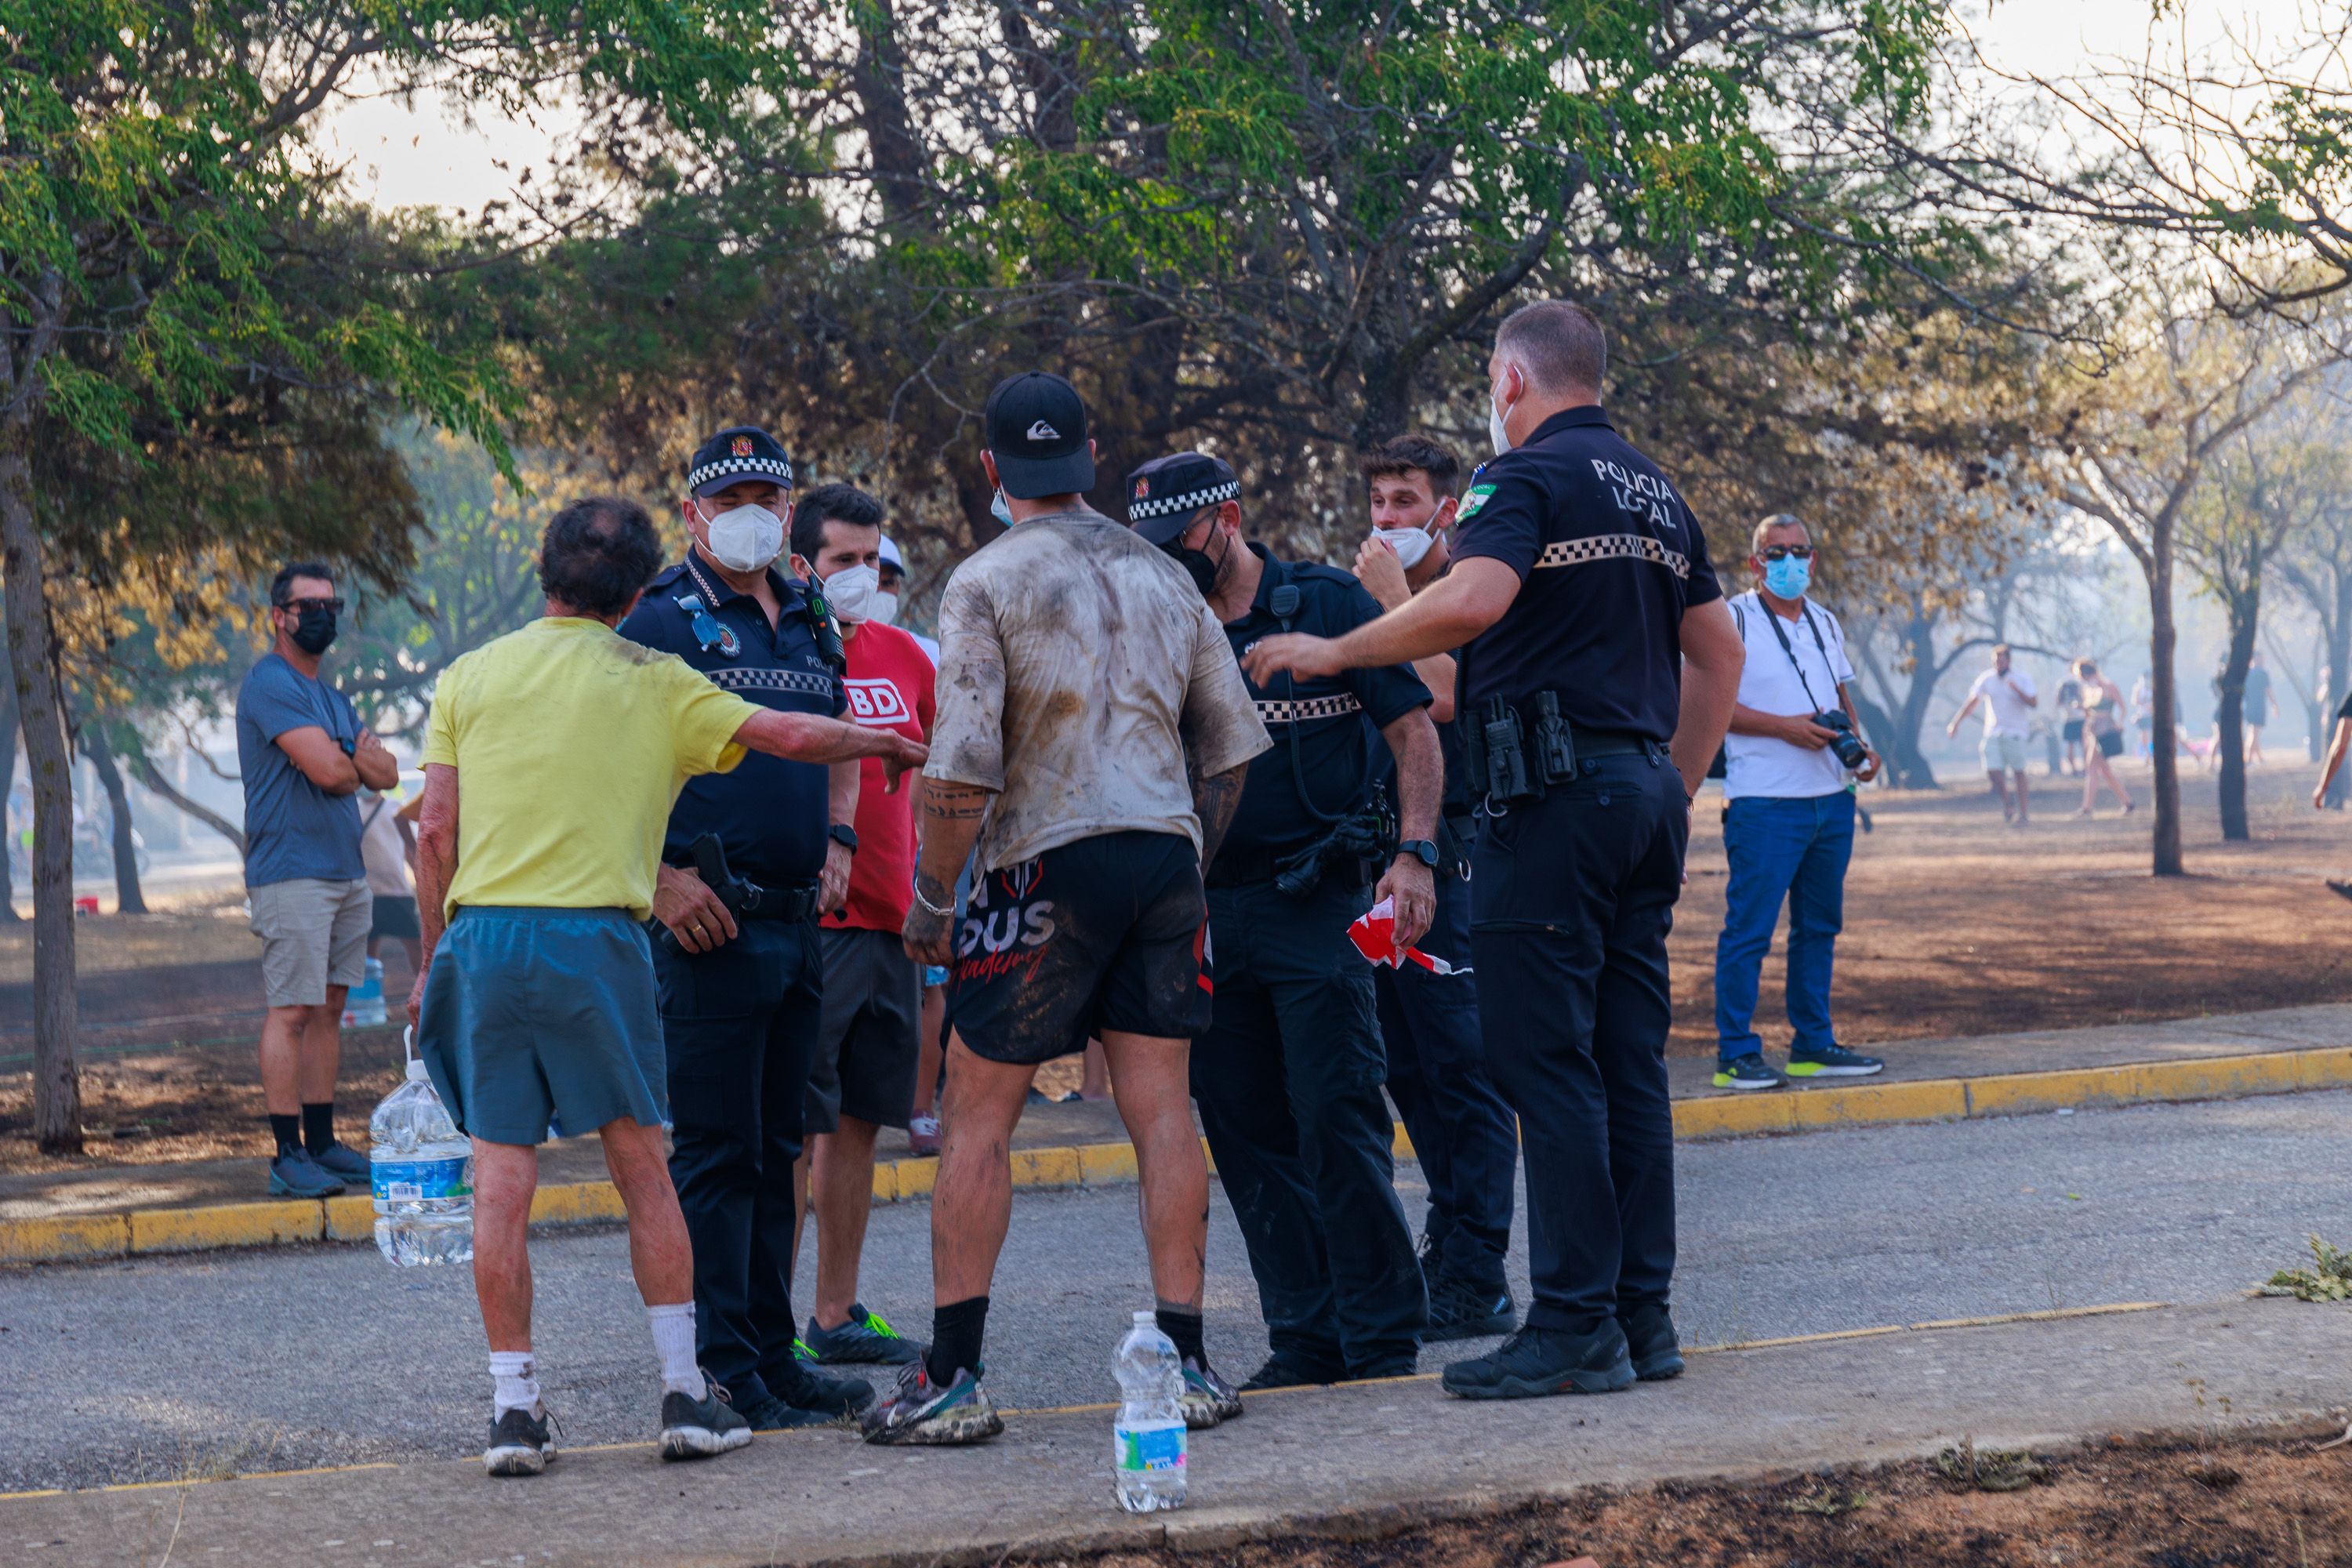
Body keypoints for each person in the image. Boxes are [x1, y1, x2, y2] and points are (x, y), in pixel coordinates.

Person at [1245, 299, 1744, 1400]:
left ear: (1511, 380)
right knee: (1625, 1067)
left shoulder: (1514, 478)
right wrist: (1677, 777)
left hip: (1553, 806)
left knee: (1545, 1064)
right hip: (1637, 796)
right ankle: (1640, 1318)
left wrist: (1340, 646)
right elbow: (1717, 649)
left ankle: (1572, 1324)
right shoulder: (1655, 488)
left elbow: (1473, 598)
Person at [410, 495, 925, 1477]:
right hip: (597, 941)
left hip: (483, 941)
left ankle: (514, 1409)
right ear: (638, 585)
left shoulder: (470, 675)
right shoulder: (656, 678)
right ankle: (687, 1391)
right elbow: (785, 733)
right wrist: (883, 744)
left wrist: (436, 949)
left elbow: (435, 829)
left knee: (501, 1185)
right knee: (645, 1168)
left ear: (544, 570)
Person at [874, 371, 1270, 1445]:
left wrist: (934, 898)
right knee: (1161, 1110)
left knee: (978, 1114)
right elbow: (1230, 753)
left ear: (993, 471)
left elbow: (958, 771)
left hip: (1039, 867)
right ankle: (1187, 1364)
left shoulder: (985, 580)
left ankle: (953, 1377)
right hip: (1160, 856)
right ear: (1092, 456)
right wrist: (1188, 851)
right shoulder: (1168, 576)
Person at [1128, 448, 1438, 1388]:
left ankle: (1381, 1333)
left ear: (1225, 515)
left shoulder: (1327, 603)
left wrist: (1415, 853)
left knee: (1338, 1111)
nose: (1164, 557)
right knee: (1246, 1127)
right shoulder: (1163, 626)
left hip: (1319, 900)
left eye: (1176, 537)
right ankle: (1305, 1334)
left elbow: (1413, 732)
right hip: (1208, 911)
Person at [612, 428, 882, 1433]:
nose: (752, 511)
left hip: (796, 918)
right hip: (706, 925)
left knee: (780, 1150)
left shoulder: (810, 612)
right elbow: (601, 767)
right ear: (693, 513)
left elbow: (836, 729)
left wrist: (845, 833)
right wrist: (659, 880)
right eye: (731, 498)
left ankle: (775, 1354)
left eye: (768, 492)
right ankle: (722, 1366)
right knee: (718, 1156)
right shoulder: (659, 620)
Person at [1352, 434, 1521, 1342]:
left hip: (1457, 869)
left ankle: (1481, 1271)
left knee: (1466, 1071)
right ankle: (1448, 1240)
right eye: (1378, 501)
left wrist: (1387, 604)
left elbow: (1446, 695)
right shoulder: (1378, 600)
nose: (1387, 520)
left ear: (1445, 510)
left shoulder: (1472, 588)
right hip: (1386, 878)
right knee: (1407, 1065)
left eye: (1406, 501)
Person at [786, 483, 936, 1370]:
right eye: (843, 558)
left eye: (872, 559)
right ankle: (767, 1328)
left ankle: (833, 1314)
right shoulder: (785, 649)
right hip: (817, 924)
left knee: (858, 1126)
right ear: (802, 564)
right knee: (794, 1125)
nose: (862, 574)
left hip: (894, 922)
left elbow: (945, 771)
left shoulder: (906, 656)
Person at [235, 562, 399, 1198]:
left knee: (332, 1009)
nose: (322, 615)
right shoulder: (268, 684)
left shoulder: (332, 698)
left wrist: (346, 755)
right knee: (292, 1010)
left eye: (331, 603)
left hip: (344, 871)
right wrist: (349, 755)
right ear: (279, 616)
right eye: (309, 605)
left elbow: (383, 773)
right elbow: (335, 773)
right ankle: (286, 1154)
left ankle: (324, 1144)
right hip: (291, 874)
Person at [1710, 514, 1886, 1092]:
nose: (1790, 562)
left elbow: (1839, 697)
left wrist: (1861, 750)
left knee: (1819, 929)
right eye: (1775, 552)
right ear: (1755, 562)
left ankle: (1813, 1044)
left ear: (1813, 557)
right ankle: (1735, 1054)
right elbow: (1705, 706)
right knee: (1749, 931)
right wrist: (1782, 729)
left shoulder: (1825, 621)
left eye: (1800, 551)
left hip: (1831, 800)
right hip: (1764, 803)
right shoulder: (1732, 617)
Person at [1947, 644, 2038, 823]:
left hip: (2016, 732)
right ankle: (2007, 801)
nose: (1999, 664)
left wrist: (2017, 691)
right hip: (1993, 732)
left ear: (2009, 661)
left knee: (2019, 772)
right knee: (1991, 770)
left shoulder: (2021, 678)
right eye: (1996, 661)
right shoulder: (1987, 679)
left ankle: (2024, 813)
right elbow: (1972, 702)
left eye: (2002, 660)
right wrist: (1955, 722)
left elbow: (2034, 703)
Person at [358, 786, 422, 980]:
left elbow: (408, 849)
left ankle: (424, 992)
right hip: (368, 893)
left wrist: (420, 879)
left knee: (416, 945)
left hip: (398, 891)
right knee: (369, 952)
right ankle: (372, 997)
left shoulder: (395, 808)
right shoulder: (354, 811)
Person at [2074, 659, 2134, 816]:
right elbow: (2089, 712)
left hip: (2106, 729)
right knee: (2103, 770)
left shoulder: (2109, 686)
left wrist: (2119, 723)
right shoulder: (2088, 690)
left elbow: (2123, 707)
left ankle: (2087, 807)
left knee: (2093, 767)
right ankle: (2127, 802)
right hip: (2093, 731)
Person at [2056, 668, 2084, 776]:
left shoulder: (2062, 683)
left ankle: (2074, 770)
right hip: (2081, 717)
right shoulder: (2080, 682)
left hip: (2068, 718)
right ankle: (2085, 769)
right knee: (2085, 746)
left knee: (2071, 746)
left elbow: (2058, 702)